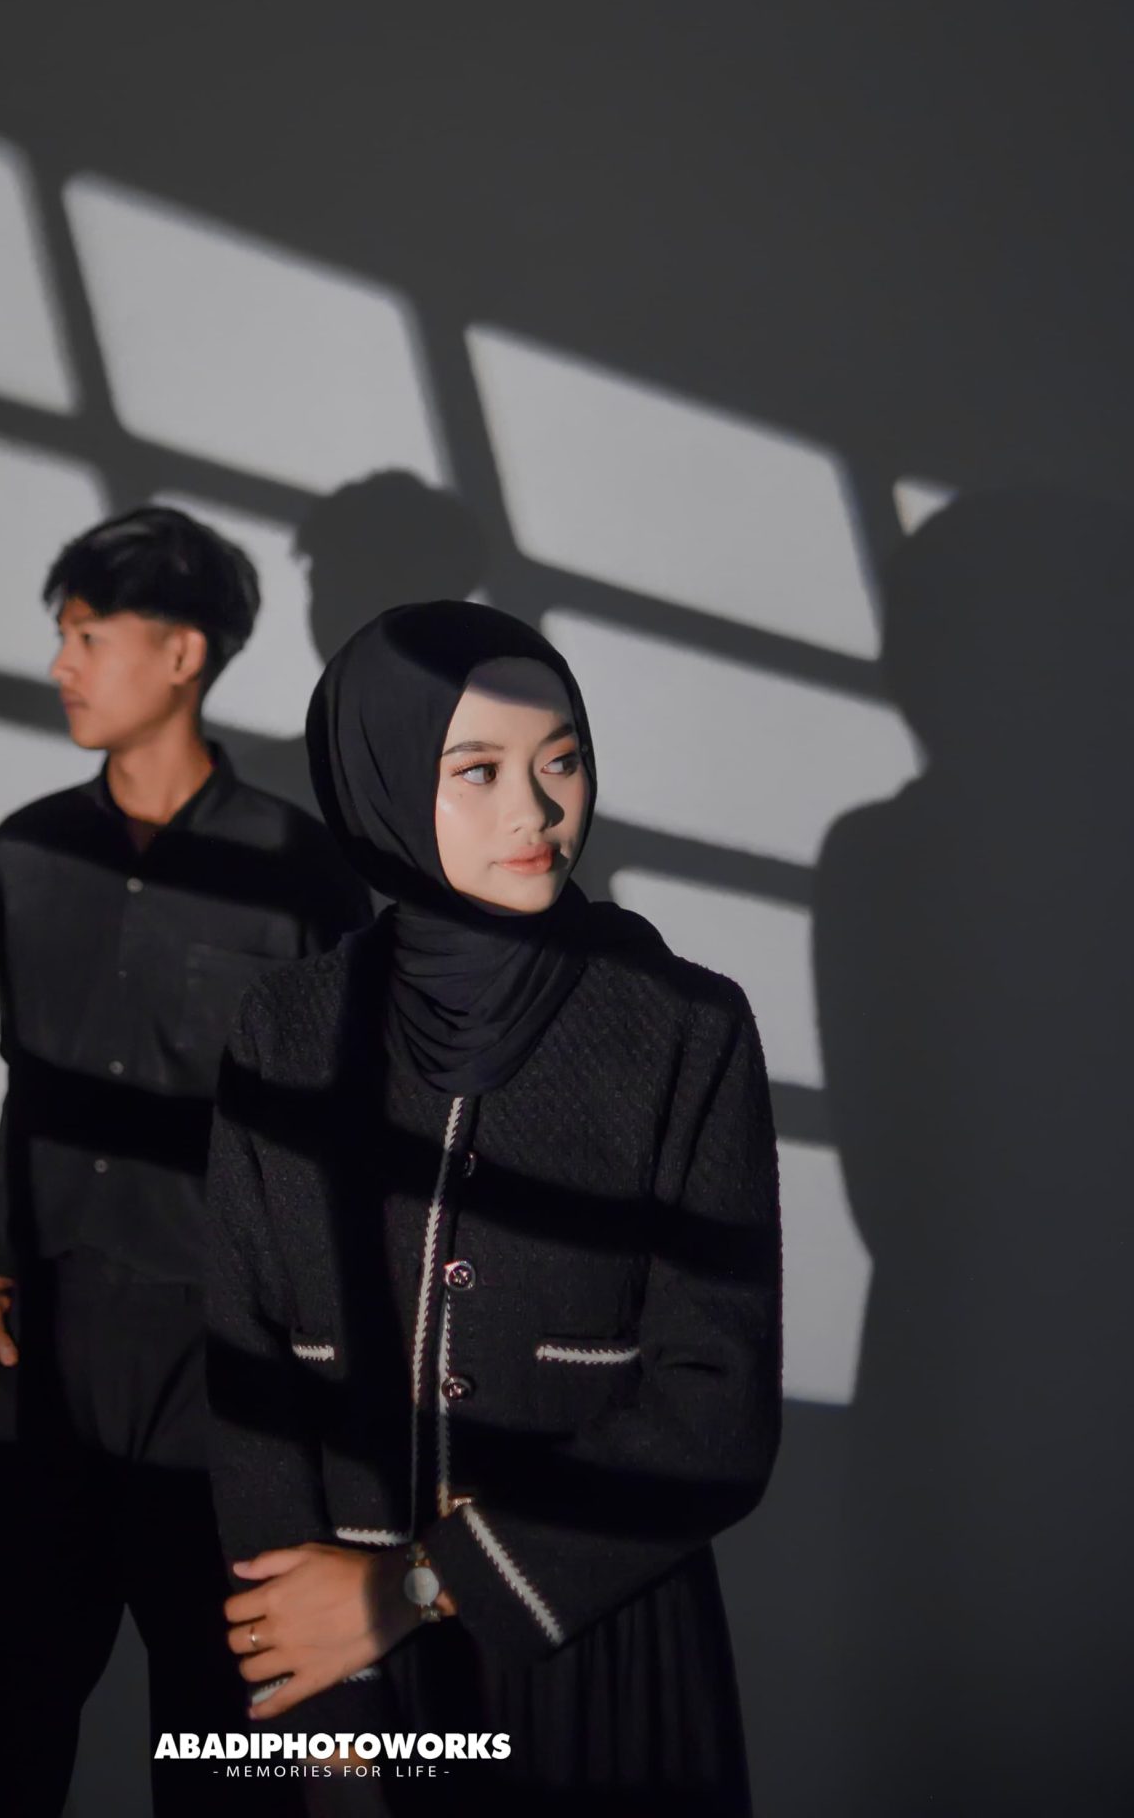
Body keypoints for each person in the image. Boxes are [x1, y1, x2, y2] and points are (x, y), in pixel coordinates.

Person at [203, 600, 782, 1812]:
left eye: (560, 761)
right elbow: (246, 1356)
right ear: (378, 780)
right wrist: (311, 1664)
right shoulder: (289, 1026)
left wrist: (419, 1586)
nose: (535, 810)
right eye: (476, 771)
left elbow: (716, 1412)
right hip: (338, 1650)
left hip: (596, 1651)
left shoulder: (682, 1025)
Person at [0, 506, 371, 1816]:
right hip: (44, 1363)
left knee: (228, 1761)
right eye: (60, 637)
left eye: (86, 637)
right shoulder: (27, 853)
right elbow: (30, 1088)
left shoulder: (302, 873)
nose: (60, 666)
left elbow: (335, 1143)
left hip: (221, 1382)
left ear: (182, 654)